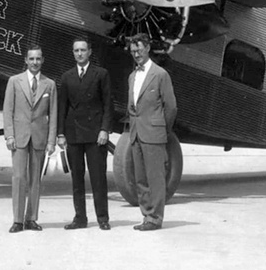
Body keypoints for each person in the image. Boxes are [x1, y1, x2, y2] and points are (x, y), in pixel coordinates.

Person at [56, 37, 115, 230]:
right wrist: (60, 133)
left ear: (90, 52)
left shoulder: (101, 74)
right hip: (74, 134)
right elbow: (62, 107)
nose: (79, 54)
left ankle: (103, 218)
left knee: (98, 178)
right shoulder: (67, 77)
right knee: (77, 178)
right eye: (76, 51)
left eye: (83, 50)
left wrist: (105, 129)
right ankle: (80, 218)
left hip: (95, 135)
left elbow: (108, 104)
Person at [124, 32, 178, 231]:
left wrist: (162, 130)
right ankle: (147, 215)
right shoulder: (132, 76)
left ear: (147, 48)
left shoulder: (160, 74)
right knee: (141, 178)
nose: (136, 54)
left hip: (153, 134)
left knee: (155, 178)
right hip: (136, 133)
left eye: (139, 50)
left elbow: (171, 107)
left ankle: (155, 218)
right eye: (133, 51)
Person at [3, 45, 58, 233]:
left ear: (42, 61)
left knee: (36, 179)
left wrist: (51, 141)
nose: (35, 62)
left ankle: (31, 218)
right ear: (26, 61)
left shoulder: (49, 84)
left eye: (38, 59)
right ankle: (17, 220)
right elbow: (7, 110)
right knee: (19, 177)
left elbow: (53, 114)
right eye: (31, 59)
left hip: (39, 138)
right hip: (19, 137)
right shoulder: (14, 81)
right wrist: (9, 135)